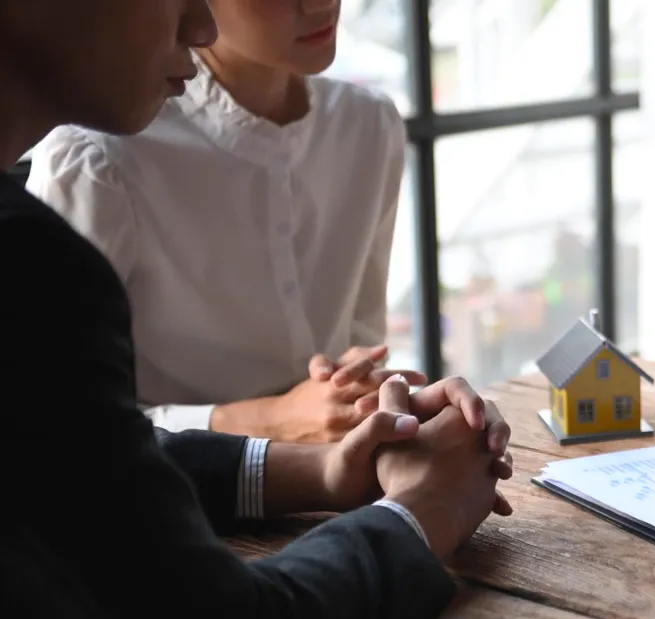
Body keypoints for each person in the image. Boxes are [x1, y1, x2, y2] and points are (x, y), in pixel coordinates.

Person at [0, 0, 514, 619]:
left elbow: (68, 455)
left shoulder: (366, 126)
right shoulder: (33, 262)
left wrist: (326, 466)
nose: (199, 27)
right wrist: (421, 510)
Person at [25, 0, 418, 444]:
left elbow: (362, 346)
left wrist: (391, 401)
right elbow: (49, 423)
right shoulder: (98, 158)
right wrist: (267, 420)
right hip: (165, 504)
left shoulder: (368, 124)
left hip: (340, 490)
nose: (322, 2)